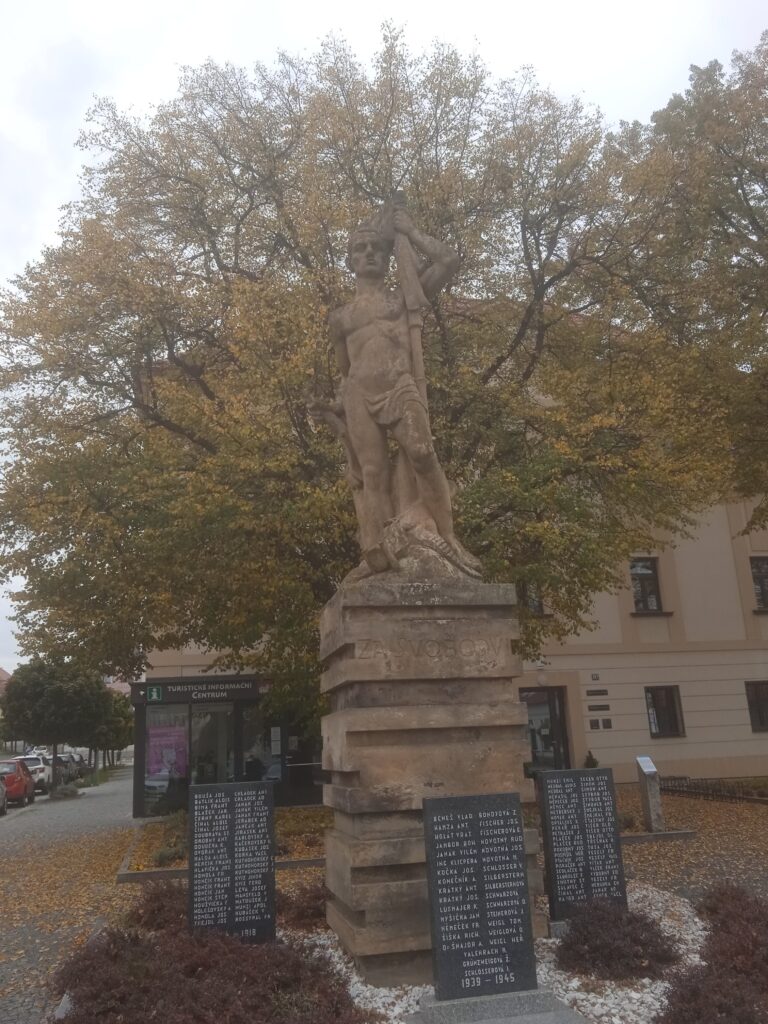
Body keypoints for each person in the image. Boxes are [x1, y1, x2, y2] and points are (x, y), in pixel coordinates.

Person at [328, 204, 480, 577]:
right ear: (350, 261)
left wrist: (410, 232)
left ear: (386, 257)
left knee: (423, 454)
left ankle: (448, 536)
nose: (369, 254)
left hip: (399, 385)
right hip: (359, 394)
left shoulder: (403, 296)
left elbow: (448, 261)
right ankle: (380, 553)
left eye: (376, 249)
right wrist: (339, 405)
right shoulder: (341, 317)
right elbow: (345, 369)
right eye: (360, 249)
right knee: (373, 473)